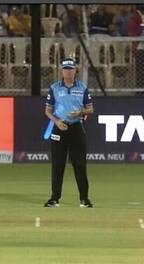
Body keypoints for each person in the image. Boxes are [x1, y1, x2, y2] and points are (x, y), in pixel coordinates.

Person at [44, 58, 94, 208]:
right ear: (61, 70)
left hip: (76, 127)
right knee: (58, 165)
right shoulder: (54, 88)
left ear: (75, 70)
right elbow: (48, 110)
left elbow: (90, 109)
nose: (68, 71)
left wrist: (80, 113)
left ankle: (84, 199)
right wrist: (57, 121)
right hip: (59, 128)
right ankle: (54, 198)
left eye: (70, 69)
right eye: (65, 69)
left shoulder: (82, 87)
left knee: (79, 164)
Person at [127, 5, 144, 96]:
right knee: (140, 69)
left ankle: (142, 88)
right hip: (140, 46)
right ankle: (139, 89)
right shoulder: (135, 17)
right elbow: (132, 30)